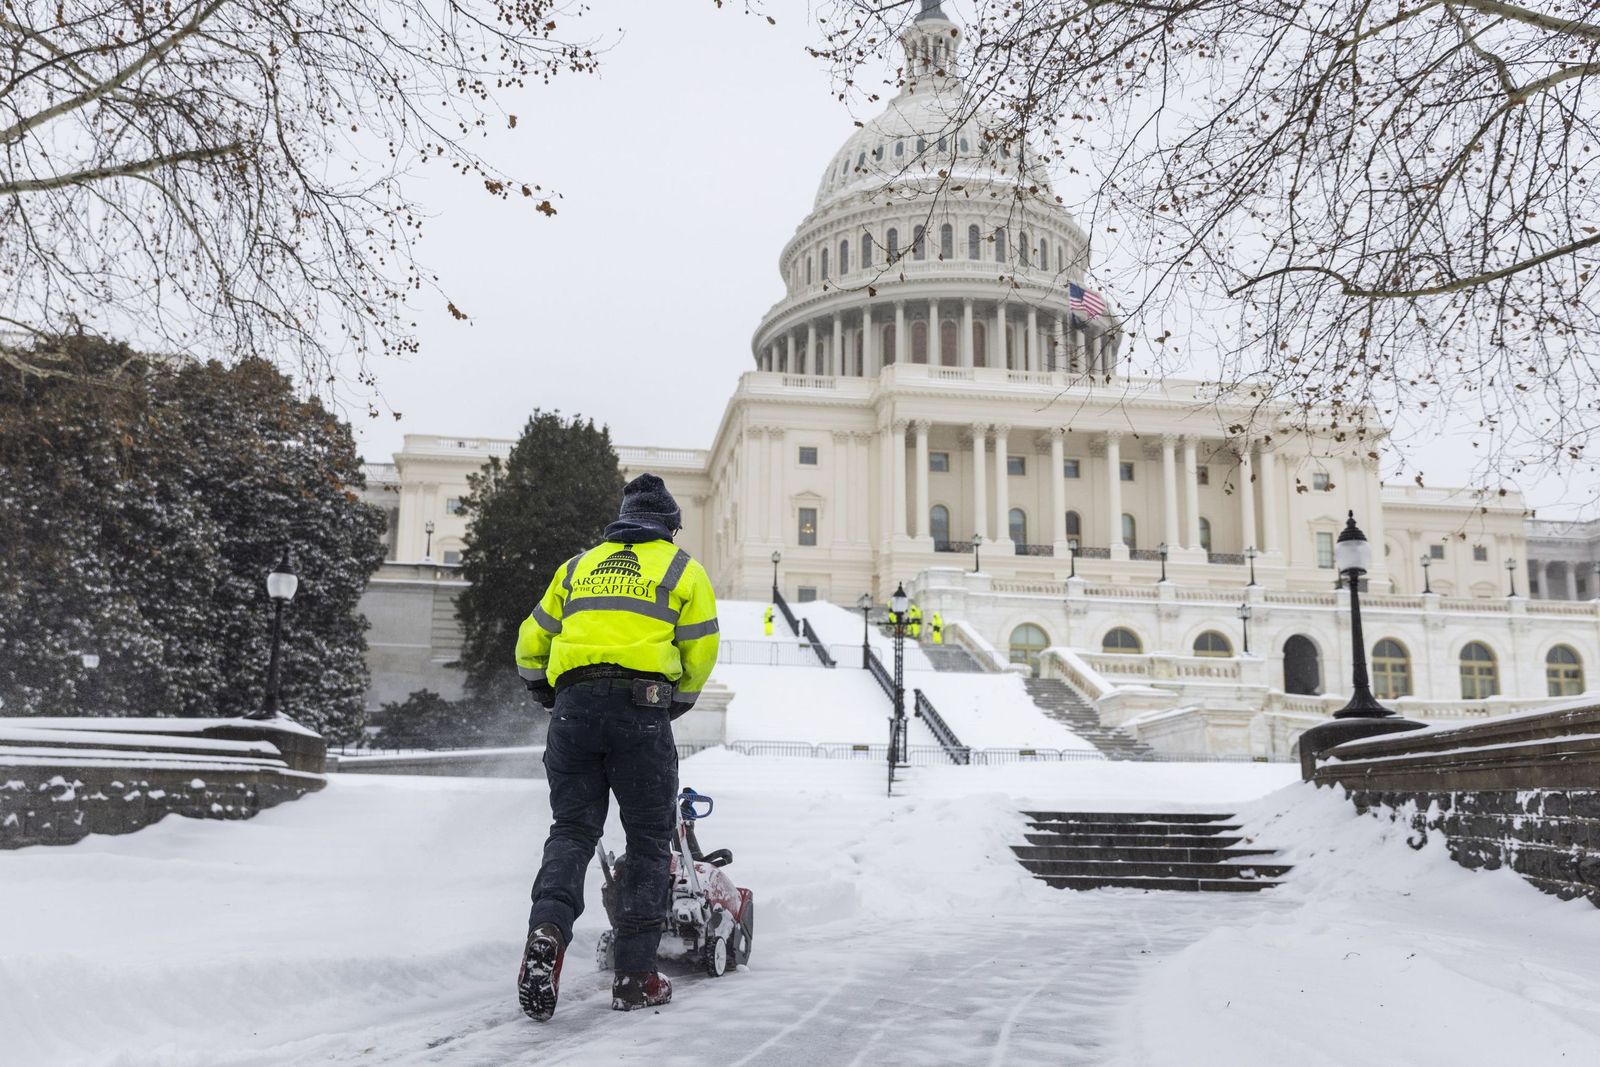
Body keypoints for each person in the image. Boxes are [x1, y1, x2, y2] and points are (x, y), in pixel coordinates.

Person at [512, 473, 720, 1020]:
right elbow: (700, 649)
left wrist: (548, 691)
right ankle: (635, 976)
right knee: (649, 842)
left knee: (572, 831)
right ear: (670, 527)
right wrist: (673, 703)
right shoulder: (682, 568)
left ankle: (547, 931)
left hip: (573, 709)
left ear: (622, 521)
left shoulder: (577, 567)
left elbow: (531, 641)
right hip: (641, 710)